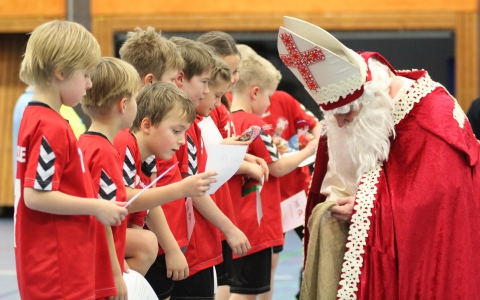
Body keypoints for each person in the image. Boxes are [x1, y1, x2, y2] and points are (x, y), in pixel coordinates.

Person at [277, 16, 480, 299]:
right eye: (335, 117)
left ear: (370, 100)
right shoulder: (351, 116)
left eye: (347, 113)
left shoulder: (432, 116)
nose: (342, 123)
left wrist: (367, 209)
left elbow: (440, 202)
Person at [14, 20, 129, 299]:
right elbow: (36, 196)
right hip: (56, 267)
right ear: (61, 72)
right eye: (86, 75)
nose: (90, 85)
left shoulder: (43, 118)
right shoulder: (48, 125)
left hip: (61, 261)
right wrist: (95, 206)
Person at [228, 48, 318, 300]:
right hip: (256, 224)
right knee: (246, 293)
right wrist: (309, 149)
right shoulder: (255, 124)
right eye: (268, 96)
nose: (270, 103)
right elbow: (276, 166)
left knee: (242, 287)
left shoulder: (227, 120)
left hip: (238, 218)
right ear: (255, 92)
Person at [169, 36, 251, 300]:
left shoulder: (192, 123)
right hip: (186, 246)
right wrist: (228, 228)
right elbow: (190, 186)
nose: (208, 94)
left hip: (194, 242)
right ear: (178, 79)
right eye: (205, 84)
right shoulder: (180, 126)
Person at [197, 31, 270, 300]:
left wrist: (246, 157)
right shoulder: (203, 108)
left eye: (236, 71)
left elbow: (217, 147)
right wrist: (246, 164)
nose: (234, 78)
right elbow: (204, 161)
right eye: (229, 71)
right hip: (210, 214)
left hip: (224, 208)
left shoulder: (219, 103)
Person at [119, 26, 191, 299]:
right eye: (174, 79)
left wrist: (171, 246)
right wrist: (115, 268)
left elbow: (144, 202)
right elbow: (120, 199)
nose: (178, 85)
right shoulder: (124, 138)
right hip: (118, 246)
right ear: (150, 81)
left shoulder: (142, 143)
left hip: (136, 242)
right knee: (147, 244)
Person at [79, 57, 143, 299]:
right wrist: (114, 274)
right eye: (136, 98)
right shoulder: (103, 151)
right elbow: (102, 220)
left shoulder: (87, 143)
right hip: (101, 273)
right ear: (124, 104)